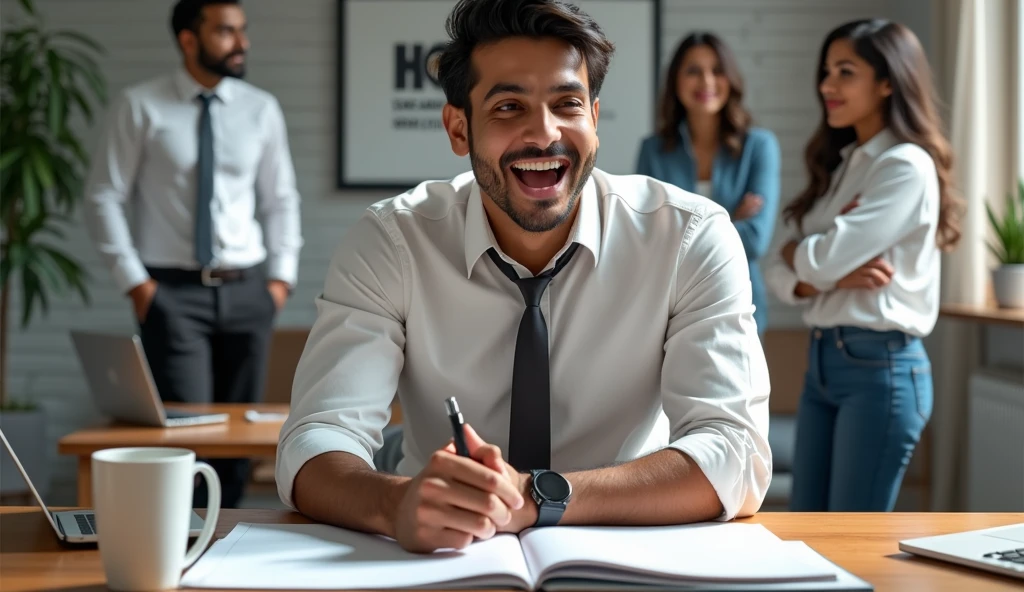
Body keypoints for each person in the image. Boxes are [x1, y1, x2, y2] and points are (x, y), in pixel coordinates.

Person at [277, 0, 770, 554]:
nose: (545, 133)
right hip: (438, 556)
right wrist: (395, 504)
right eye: (509, 106)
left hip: (628, 546)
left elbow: (736, 453)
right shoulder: (392, 241)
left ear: (595, 119)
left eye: (568, 104)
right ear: (458, 128)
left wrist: (534, 498)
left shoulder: (688, 237)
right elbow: (315, 440)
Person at [83, 0, 303, 508]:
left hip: (249, 289)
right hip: (172, 294)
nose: (242, 43)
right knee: (185, 434)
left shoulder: (260, 109)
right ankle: (181, 543)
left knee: (238, 438)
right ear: (188, 39)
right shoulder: (141, 106)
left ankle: (223, 541)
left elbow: (280, 200)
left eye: (242, 31)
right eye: (226, 32)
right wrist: (137, 285)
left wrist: (279, 283)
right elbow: (103, 196)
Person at [763, 19, 961, 512]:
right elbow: (775, 265)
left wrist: (811, 259)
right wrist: (817, 274)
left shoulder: (904, 166)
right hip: (823, 364)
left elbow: (815, 256)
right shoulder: (844, 165)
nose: (827, 86)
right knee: (806, 530)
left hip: (881, 369)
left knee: (851, 541)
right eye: (827, 71)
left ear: (888, 81)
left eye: (845, 72)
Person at [636, 32, 780, 337]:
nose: (706, 81)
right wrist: (730, 217)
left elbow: (755, 241)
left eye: (716, 70)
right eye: (692, 71)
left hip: (739, 302)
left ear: (730, 78)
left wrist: (678, 229)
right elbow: (646, 238)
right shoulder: (653, 149)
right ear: (676, 80)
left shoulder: (759, 146)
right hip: (668, 307)